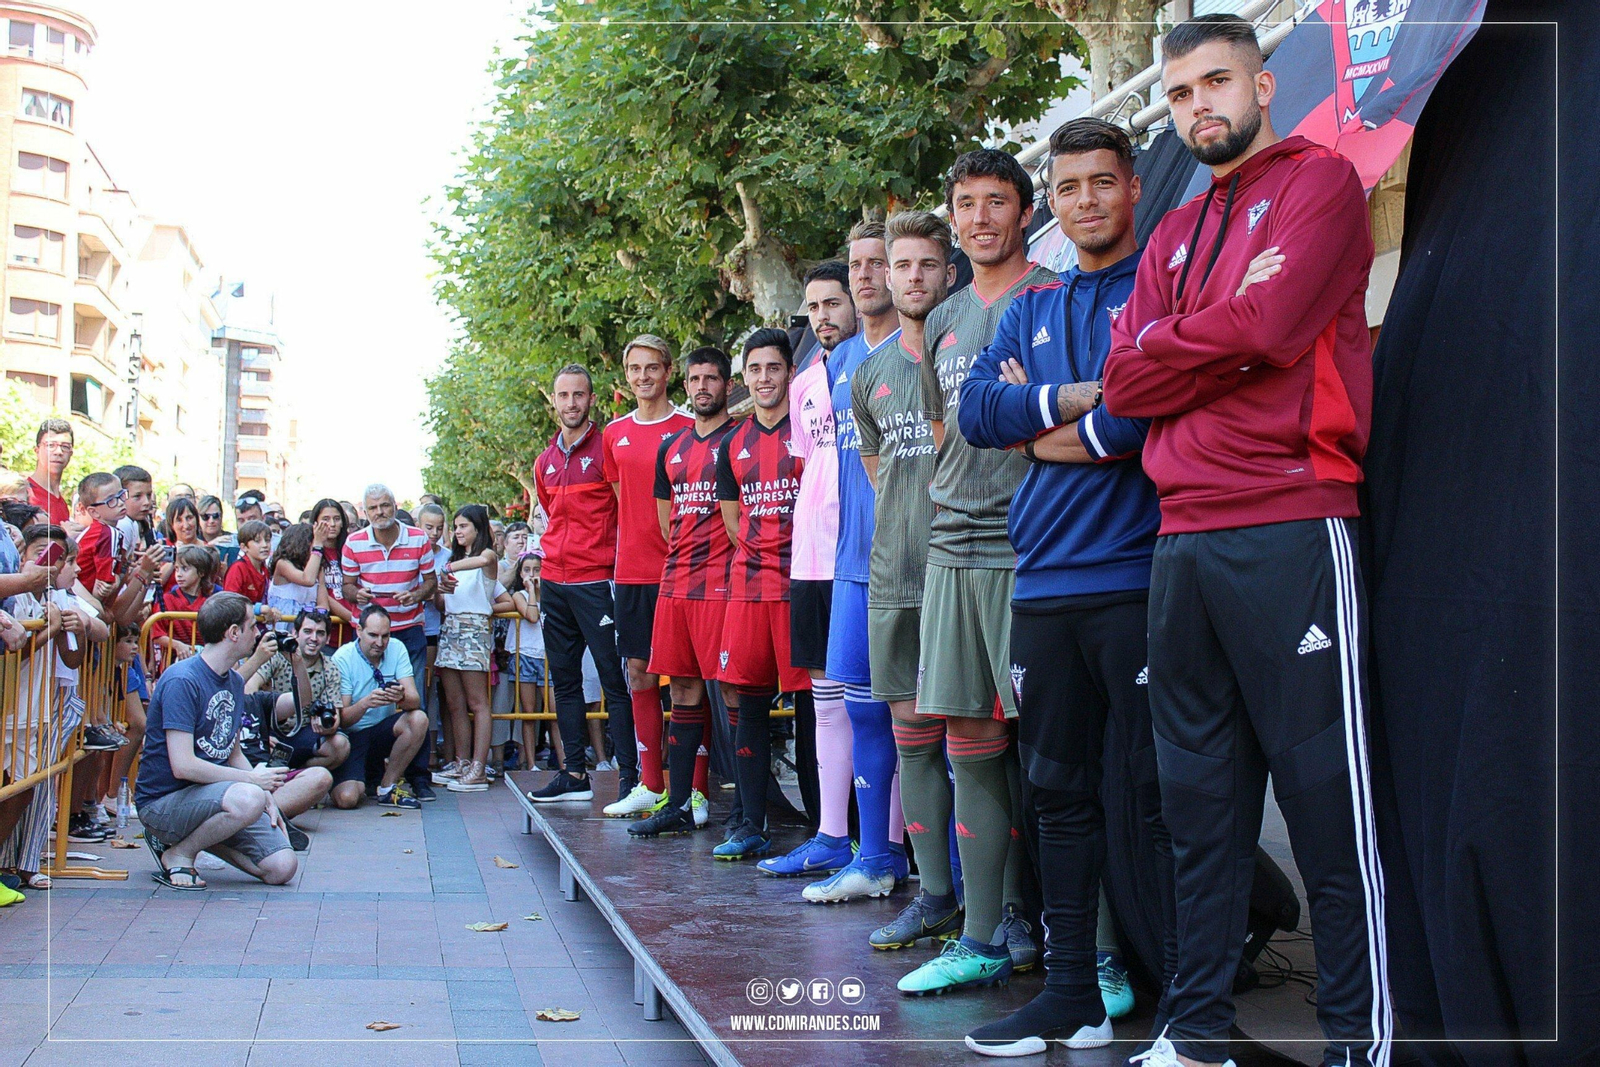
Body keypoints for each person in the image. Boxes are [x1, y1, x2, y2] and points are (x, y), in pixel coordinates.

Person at [1103, 16, 1386, 1067]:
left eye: (1214, 82)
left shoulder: (1319, 184)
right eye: (1178, 95)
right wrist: (1212, 330)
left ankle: (1358, 1042)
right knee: (1198, 812)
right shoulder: (1172, 229)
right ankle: (1196, 1032)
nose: (1196, 107)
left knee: (1326, 808)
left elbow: (1270, 331)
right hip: (1182, 539)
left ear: (1262, 83)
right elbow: (1126, 380)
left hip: (1290, 517)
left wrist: (1189, 340)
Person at [958, 117, 1169, 1055]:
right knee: (1058, 795)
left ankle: (1189, 998)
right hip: (1042, 583)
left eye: (1103, 182)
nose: (1088, 200)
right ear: (1055, 200)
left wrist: (1039, 418)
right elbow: (975, 412)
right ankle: (1074, 991)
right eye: (1071, 186)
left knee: (1158, 795)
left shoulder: (1161, 286)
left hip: (1138, 574)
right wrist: (1073, 397)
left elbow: (1143, 412)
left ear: (1132, 186)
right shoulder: (1031, 308)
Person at [902, 147, 1057, 995]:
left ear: (1023, 213)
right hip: (954, 550)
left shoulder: (1054, 300)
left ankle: (1083, 943)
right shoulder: (946, 317)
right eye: (966, 203)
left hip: (1033, 545)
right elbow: (937, 437)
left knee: (1055, 750)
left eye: (996, 201)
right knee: (970, 745)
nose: (981, 217)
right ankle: (984, 934)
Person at [851, 211, 962, 952]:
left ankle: (1008, 906)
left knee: (986, 742)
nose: (915, 276)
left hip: (972, 570)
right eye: (903, 264)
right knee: (913, 739)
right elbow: (878, 471)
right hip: (894, 577)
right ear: (886, 276)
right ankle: (935, 895)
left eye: (929, 263)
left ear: (947, 274)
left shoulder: (973, 351)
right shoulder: (869, 375)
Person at [802, 220, 909, 905]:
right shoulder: (833, 364)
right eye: (859, 264)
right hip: (851, 561)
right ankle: (873, 859)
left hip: (921, 560)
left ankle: (952, 875)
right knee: (862, 712)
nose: (867, 276)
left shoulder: (923, 345)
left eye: (879, 264)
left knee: (934, 720)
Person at [757, 260, 860, 880]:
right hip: (812, 555)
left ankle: (889, 844)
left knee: (878, 703)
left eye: (833, 303)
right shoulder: (803, 383)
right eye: (814, 306)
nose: (823, 316)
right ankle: (830, 834)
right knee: (825, 702)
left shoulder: (881, 361)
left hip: (868, 555)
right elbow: (810, 463)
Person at [134, 594, 327, 890]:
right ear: (233, 633)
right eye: (252, 626)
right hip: (165, 802)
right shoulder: (182, 680)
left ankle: (191, 840)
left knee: (282, 868)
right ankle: (180, 853)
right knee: (247, 797)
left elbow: (232, 750)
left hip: (216, 796)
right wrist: (252, 782)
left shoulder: (234, 682)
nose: (258, 633)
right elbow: (183, 766)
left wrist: (266, 796)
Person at [625, 347, 738, 835]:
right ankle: (676, 802)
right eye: (695, 380)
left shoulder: (740, 438)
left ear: (727, 385)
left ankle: (746, 810)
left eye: (711, 378)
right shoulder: (670, 446)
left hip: (727, 587)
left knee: (734, 690)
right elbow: (665, 519)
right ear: (686, 385)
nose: (702, 387)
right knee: (684, 689)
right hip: (677, 585)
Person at [708, 329, 808, 860]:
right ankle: (749, 821)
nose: (765, 378)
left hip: (802, 589)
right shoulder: (733, 444)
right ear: (744, 378)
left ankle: (827, 830)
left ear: (789, 372)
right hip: (748, 591)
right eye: (755, 370)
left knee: (815, 710)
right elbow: (732, 523)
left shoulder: (811, 430)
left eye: (774, 368)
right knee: (746, 703)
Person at [526, 365, 638, 805]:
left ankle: (631, 778)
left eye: (579, 395)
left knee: (616, 680)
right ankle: (573, 773)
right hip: (555, 579)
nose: (571, 403)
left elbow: (625, 507)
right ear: (553, 401)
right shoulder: (544, 461)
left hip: (598, 580)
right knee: (566, 681)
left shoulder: (607, 447)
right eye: (563, 395)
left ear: (592, 399)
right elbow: (551, 516)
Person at [601, 335, 694, 817]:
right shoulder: (613, 434)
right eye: (634, 368)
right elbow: (622, 499)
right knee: (639, 673)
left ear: (668, 370)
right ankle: (649, 782)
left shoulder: (689, 427)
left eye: (651, 367)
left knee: (685, 680)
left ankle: (692, 789)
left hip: (682, 570)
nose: (642, 377)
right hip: (632, 572)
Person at [339, 484, 438, 800]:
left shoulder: (418, 537)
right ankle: (367, 770)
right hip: (368, 633)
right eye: (373, 508)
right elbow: (347, 587)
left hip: (408, 630)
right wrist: (359, 595)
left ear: (395, 505)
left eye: (384, 506)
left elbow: (431, 583)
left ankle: (418, 777)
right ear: (364, 512)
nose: (379, 513)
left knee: (415, 702)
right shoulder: (354, 542)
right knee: (364, 699)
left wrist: (416, 594)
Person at [432, 504, 507, 793]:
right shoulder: (456, 559)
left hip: (474, 630)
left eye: (464, 526)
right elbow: (443, 604)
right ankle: (462, 761)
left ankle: (478, 765)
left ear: (478, 527)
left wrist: (447, 568)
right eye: (456, 526)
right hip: (450, 628)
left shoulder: (486, 559)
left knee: (478, 702)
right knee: (455, 703)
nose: (458, 531)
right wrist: (442, 589)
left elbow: (484, 559)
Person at [328, 605, 428, 810]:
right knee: (347, 799)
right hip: (351, 738)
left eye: (385, 636)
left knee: (418, 718)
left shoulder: (397, 648)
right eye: (373, 635)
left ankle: (387, 787)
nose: (380, 643)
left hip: (381, 731)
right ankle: (362, 777)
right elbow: (343, 719)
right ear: (358, 631)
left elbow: (415, 700)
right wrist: (366, 703)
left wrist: (400, 698)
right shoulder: (342, 657)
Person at [245, 608, 351, 782]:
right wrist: (261, 732)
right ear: (296, 633)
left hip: (303, 732)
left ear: (328, 638)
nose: (314, 638)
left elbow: (335, 717)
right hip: (271, 731)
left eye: (320, 633)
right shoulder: (278, 656)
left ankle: (297, 775)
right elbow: (249, 688)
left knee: (340, 745)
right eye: (308, 631)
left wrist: (327, 725)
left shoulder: (330, 667)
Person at [152, 545, 216, 664]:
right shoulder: (167, 599)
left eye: (185, 569)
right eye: (176, 569)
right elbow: (156, 634)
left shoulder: (210, 603)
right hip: (172, 662)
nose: (179, 574)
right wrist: (177, 645)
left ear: (201, 572)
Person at [307, 498, 355, 641]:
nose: (332, 524)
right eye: (326, 519)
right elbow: (320, 593)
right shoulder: (310, 551)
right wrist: (353, 618)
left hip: (352, 629)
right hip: (325, 631)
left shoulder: (351, 548)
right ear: (315, 523)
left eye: (337, 519)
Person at [265, 522, 324, 629]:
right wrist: (318, 547)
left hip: (306, 628)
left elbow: (323, 605)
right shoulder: (283, 563)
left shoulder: (317, 568)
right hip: (283, 627)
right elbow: (308, 580)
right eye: (313, 544)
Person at [27, 418, 72, 524]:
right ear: (37, 451)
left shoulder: (62, 503)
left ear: (71, 453)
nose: (58, 452)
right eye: (50, 445)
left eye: (65, 446)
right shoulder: (24, 495)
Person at [223, 520, 274, 607]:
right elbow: (230, 602)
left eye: (267, 540)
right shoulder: (238, 568)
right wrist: (257, 609)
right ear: (244, 547)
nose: (265, 545)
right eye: (258, 541)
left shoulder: (264, 569)